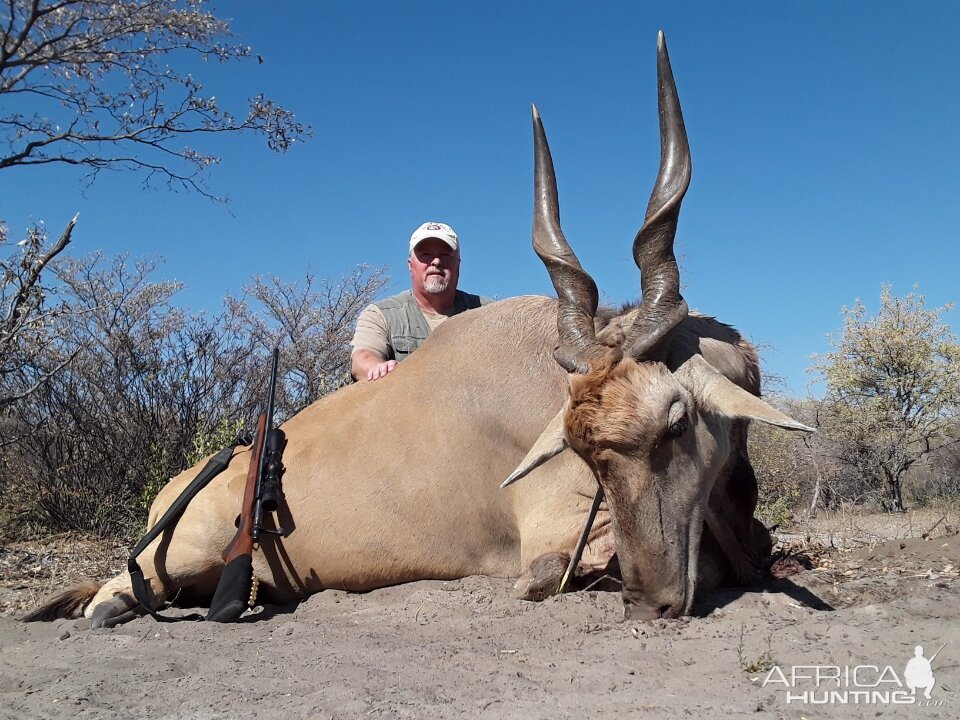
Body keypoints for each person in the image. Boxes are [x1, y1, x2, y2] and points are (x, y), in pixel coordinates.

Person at [350, 221, 491, 381]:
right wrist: (378, 368)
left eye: (445, 255)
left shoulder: (489, 313)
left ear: (458, 264)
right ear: (410, 265)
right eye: (425, 255)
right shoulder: (380, 315)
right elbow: (362, 360)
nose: (436, 261)